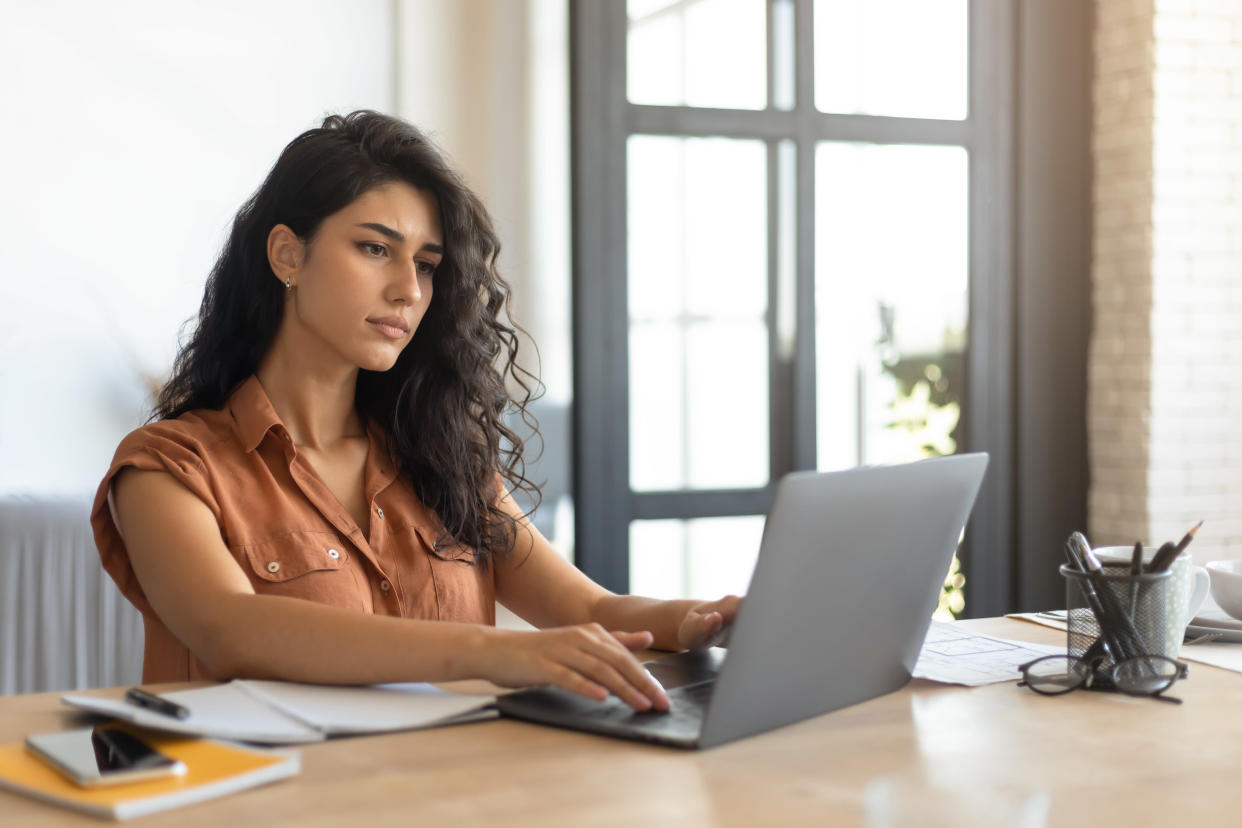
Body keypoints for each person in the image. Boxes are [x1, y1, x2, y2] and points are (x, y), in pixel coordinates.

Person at [90, 111, 739, 712]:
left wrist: (701, 621)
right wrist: (496, 653)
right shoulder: (167, 469)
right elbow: (230, 629)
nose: (408, 290)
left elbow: (587, 606)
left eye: (426, 265)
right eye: (375, 249)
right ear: (288, 254)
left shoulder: (442, 461)